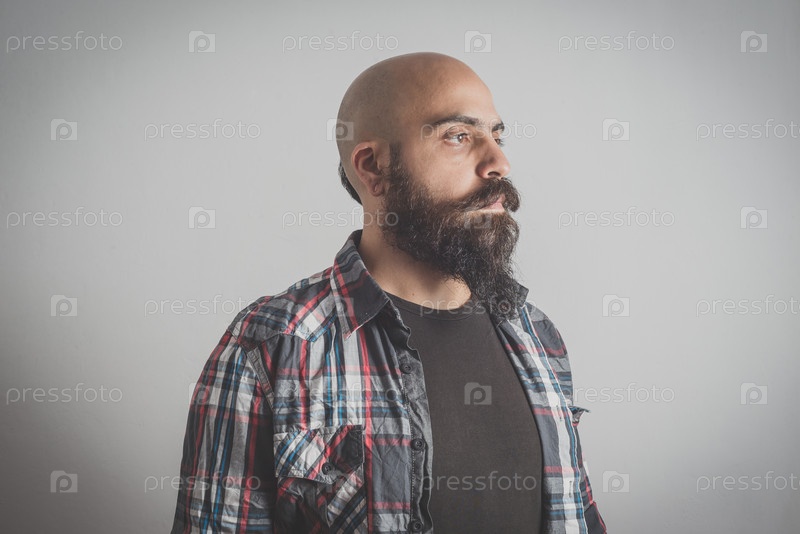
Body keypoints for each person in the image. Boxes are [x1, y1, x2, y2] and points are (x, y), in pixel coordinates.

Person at [172, 51, 606, 534]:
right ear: (373, 166)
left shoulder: (537, 334)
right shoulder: (274, 345)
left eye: (497, 136)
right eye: (458, 136)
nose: (499, 163)